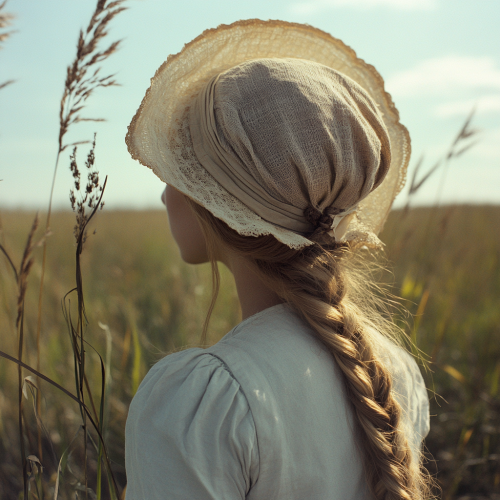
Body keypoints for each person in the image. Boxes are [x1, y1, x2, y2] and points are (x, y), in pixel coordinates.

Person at [124, 20, 431, 500]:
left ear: (219, 203)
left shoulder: (207, 403)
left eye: (181, 172)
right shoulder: (392, 374)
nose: (166, 194)